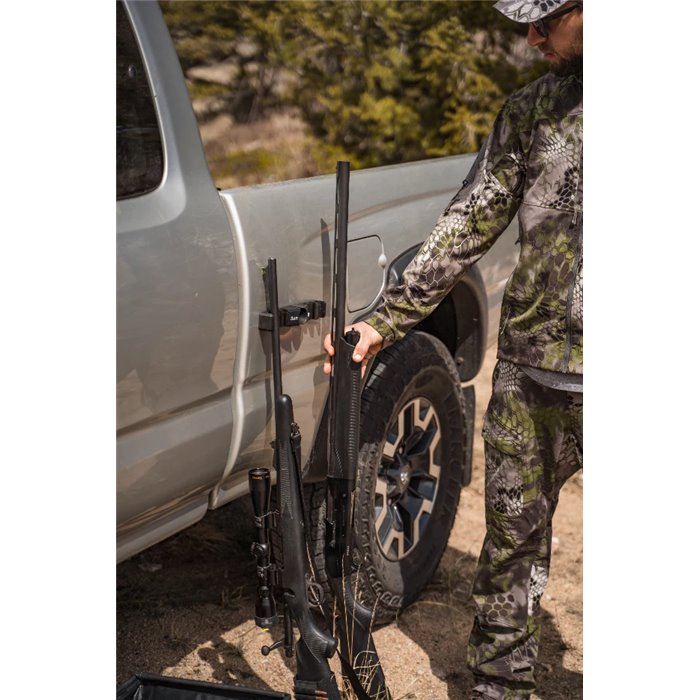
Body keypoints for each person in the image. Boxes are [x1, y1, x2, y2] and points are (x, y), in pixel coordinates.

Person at [323, 1, 583, 698]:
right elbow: (469, 221)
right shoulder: (533, 110)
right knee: (510, 550)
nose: (530, 38)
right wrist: (385, 319)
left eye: (543, 20)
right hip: (533, 375)